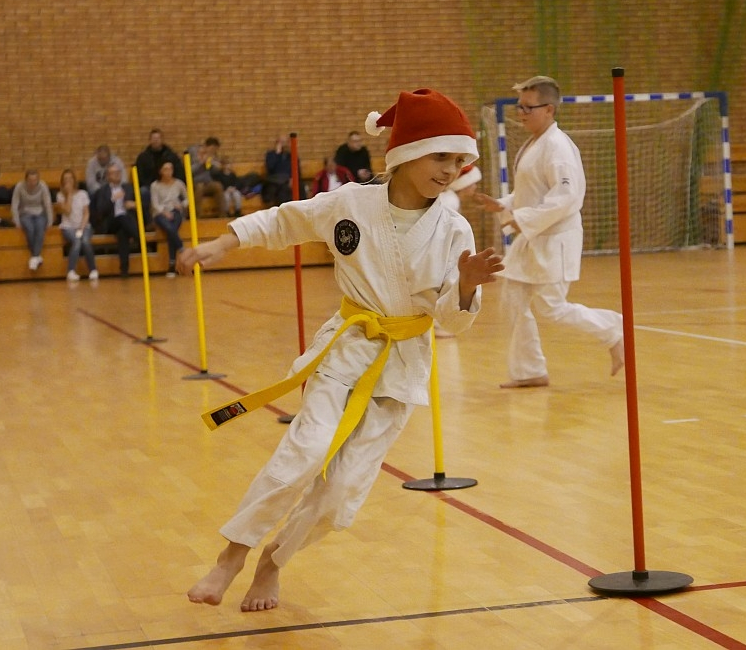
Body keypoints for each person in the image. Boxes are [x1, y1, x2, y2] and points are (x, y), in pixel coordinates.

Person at [181, 88, 504, 613]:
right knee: (305, 453)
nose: (450, 170)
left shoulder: (454, 228)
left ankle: (273, 562)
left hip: (400, 366)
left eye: (458, 159)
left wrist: (465, 287)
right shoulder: (351, 204)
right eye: (439, 156)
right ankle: (231, 556)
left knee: (341, 495)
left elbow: (451, 320)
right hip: (346, 350)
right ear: (402, 155)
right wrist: (222, 243)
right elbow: (283, 220)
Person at [474, 76, 624, 387]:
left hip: (555, 239)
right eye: (520, 107)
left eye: (528, 107)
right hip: (533, 237)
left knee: (552, 308)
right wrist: (502, 205)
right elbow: (533, 192)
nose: (522, 113)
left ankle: (614, 331)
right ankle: (530, 371)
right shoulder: (535, 144)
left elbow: (567, 196)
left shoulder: (557, 146)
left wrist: (522, 217)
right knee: (514, 300)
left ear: (549, 109)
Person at [434, 164, 482, 338]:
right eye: (473, 183)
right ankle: (439, 324)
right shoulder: (450, 200)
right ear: (463, 184)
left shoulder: (450, 198)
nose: (475, 187)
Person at [92, 163, 142, 277]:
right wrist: (112, 199)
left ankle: (124, 269)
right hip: (111, 222)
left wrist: (134, 205)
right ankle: (139, 238)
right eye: (114, 173)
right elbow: (100, 211)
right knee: (121, 217)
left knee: (122, 234)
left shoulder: (128, 187)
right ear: (108, 176)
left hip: (126, 223)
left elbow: (140, 205)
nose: (117, 175)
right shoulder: (103, 191)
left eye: (118, 172)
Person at [55, 169, 98, 282]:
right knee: (76, 241)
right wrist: (69, 194)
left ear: (74, 180)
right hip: (68, 227)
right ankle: (71, 271)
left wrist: (81, 228)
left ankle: (93, 269)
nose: (68, 181)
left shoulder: (83, 194)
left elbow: (86, 213)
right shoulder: (60, 196)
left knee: (85, 241)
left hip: (84, 226)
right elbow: (67, 210)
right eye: (65, 179)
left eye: (70, 179)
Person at [10, 169, 54, 271]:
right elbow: (14, 204)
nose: (33, 183)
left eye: (35, 180)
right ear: (26, 180)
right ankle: (36, 256)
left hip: (40, 213)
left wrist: (50, 220)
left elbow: (47, 203)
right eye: (30, 180)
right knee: (29, 229)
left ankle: (34, 257)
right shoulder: (19, 187)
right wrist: (16, 221)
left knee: (39, 227)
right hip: (25, 213)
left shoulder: (43, 186)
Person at [150, 161, 187, 276]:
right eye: (166, 169)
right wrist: (164, 212)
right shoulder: (155, 185)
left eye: (170, 169)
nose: (169, 171)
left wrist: (181, 205)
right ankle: (181, 248)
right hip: (160, 213)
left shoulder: (179, 183)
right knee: (170, 228)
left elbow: (187, 198)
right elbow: (155, 203)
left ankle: (171, 265)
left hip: (176, 211)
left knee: (172, 230)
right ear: (160, 171)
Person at [135, 128, 184, 194]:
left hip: (170, 186)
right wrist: (153, 186)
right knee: (143, 191)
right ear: (150, 140)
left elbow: (179, 172)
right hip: (149, 187)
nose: (156, 140)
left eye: (158, 138)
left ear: (162, 140)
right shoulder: (143, 157)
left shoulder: (172, 156)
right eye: (154, 138)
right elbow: (140, 176)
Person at [190, 137, 225, 217]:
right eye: (212, 148)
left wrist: (212, 164)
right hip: (197, 183)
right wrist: (201, 163)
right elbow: (191, 171)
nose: (213, 151)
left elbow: (215, 172)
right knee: (199, 187)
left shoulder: (211, 157)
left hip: (208, 183)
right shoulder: (194, 155)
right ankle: (197, 216)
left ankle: (223, 215)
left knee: (218, 186)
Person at [263, 135, 293, 206]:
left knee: (285, 189)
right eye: (281, 142)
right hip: (273, 180)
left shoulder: (290, 156)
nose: (284, 145)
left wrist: (292, 179)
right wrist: (277, 154)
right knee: (274, 189)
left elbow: (295, 170)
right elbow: (270, 167)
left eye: (285, 142)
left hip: (286, 180)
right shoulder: (271, 155)